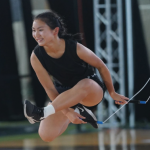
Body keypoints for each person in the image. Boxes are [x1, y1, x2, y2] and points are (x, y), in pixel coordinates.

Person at [24, 11, 129, 142]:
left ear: (55, 31)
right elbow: (50, 89)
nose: (36, 35)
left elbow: (101, 66)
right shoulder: (36, 57)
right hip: (65, 93)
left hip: (90, 91)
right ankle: (76, 111)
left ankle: (41, 113)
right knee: (46, 135)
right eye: (34, 30)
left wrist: (112, 92)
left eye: (40, 30)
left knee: (85, 84)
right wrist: (68, 113)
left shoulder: (75, 48)